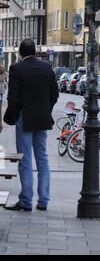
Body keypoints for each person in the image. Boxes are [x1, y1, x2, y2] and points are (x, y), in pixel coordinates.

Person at [3, 39, 59, 212]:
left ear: (20, 53)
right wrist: (46, 109)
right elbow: (54, 94)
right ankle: (43, 200)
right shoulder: (47, 68)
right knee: (42, 158)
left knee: (25, 159)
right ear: (35, 52)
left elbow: (12, 97)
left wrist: (14, 115)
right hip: (42, 119)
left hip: (24, 118)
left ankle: (26, 200)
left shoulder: (17, 69)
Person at [0, 65, 7, 134]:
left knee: (1, 99)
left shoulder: (4, 74)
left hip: (2, 88)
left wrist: (5, 86)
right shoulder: (4, 74)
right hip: (1, 87)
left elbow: (6, 81)